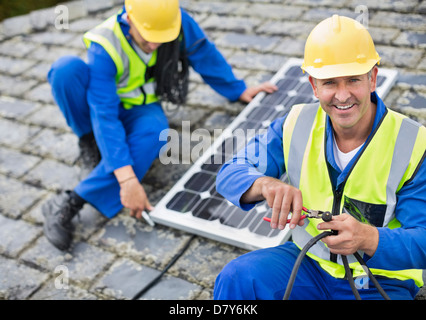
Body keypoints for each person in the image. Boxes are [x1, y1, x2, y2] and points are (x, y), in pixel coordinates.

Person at [213, 15, 426, 300]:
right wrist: (266, 185)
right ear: (314, 86)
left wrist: (368, 238)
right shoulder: (295, 123)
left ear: (373, 78)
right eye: (329, 83)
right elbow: (230, 172)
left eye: (353, 79)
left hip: (381, 280)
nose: (342, 95)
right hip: (308, 265)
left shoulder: (413, 143)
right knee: (238, 278)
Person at [43, 0, 277, 251]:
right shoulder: (105, 44)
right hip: (101, 109)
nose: (155, 45)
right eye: (148, 37)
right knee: (65, 71)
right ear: (129, 19)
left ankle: (71, 199)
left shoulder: (176, 20)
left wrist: (237, 89)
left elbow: (204, 54)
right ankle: (89, 140)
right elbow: (105, 115)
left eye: (161, 38)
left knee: (155, 133)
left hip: (141, 107)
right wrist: (128, 181)